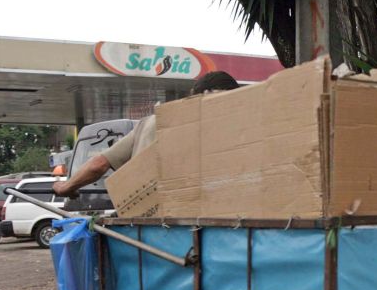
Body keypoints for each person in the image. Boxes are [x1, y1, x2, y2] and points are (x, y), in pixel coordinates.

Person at [53, 71, 240, 198]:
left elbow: (99, 165)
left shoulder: (150, 123)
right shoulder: (231, 128)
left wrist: (67, 186)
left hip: (144, 221)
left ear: (192, 95)